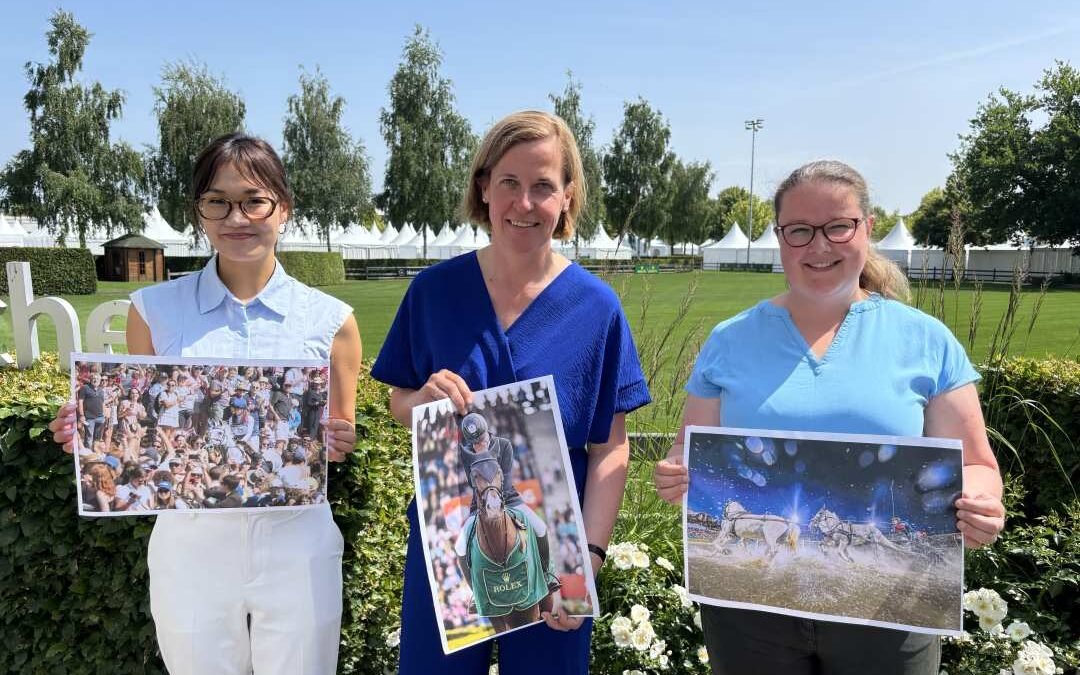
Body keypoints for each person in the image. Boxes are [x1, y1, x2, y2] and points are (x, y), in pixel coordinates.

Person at [653, 160, 1005, 675]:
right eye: (799, 231)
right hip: (752, 616)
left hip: (892, 613)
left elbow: (978, 463)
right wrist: (675, 475)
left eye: (838, 226)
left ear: (867, 227)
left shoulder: (925, 340)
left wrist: (981, 501)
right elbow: (685, 454)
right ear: (779, 238)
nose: (819, 246)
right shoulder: (729, 341)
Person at [49, 133, 362, 675]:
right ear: (199, 212)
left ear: (282, 208)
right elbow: (142, 431)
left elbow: (336, 444)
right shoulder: (153, 310)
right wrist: (92, 437)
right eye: (217, 201)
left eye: (254, 200)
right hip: (188, 545)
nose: (236, 216)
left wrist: (339, 440)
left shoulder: (331, 320)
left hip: (297, 542)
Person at [372, 110, 650, 674]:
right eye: (510, 184)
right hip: (448, 542)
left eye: (543, 186)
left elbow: (609, 448)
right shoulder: (433, 293)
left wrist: (586, 561)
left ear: (568, 197)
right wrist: (417, 400)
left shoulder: (596, 309)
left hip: (556, 552)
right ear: (484, 187)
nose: (525, 203)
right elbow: (400, 402)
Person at [454, 412, 557, 595]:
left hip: (509, 498)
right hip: (480, 503)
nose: (480, 445)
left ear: (487, 432)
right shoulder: (467, 452)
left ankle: (546, 574)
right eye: (475, 443)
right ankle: (475, 594)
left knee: (541, 528)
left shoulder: (504, 445)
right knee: (460, 546)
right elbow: (472, 483)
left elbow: (507, 480)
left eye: (482, 440)